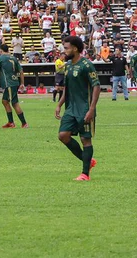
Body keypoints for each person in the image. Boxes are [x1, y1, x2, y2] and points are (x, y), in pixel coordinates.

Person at [54, 36, 100, 181]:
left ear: (75, 48)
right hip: (70, 108)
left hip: (84, 108)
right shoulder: (67, 65)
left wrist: (92, 109)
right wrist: (60, 104)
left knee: (85, 140)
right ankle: (87, 161)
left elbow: (96, 86)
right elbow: (67, 87)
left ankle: (85, 174)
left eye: (66, 48)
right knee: (63, 135)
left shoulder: (87, 65)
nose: (64, 50)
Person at [0, 44, 26, 128]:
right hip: (14, 82)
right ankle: (10, 122)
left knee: (14, 103)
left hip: (9, 83)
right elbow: (21, 71)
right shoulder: (14, 58)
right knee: (5, 101)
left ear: (0, 50)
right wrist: (22, 83)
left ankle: (24, 123)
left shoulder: (1, 58)